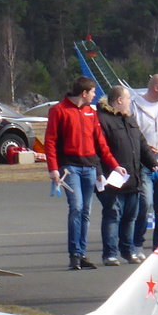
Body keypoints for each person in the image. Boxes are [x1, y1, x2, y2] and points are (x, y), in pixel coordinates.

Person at [44, 76, 119, 271]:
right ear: (84, 93)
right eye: (92, 92)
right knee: (76, 207)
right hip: (70, 167)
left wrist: (114, 165)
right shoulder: (58, 110)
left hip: (90, 167)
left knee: (86, 211)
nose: (95, 96)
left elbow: (100, 143)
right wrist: (53, 168)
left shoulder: (90, 113)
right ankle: (74, 254)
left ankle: (82, 253)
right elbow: (50, 141)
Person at [94, 84, 150, 266]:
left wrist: (152, 162)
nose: (130, 103)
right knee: (113, 214)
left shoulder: (130, 120)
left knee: (130, 216)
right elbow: (99, 150)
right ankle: (110, 254)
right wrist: (101, 174)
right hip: (113, 179)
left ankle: (128, 250)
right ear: (119, 100)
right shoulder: (103, 120)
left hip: (133, 177)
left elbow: (141, 142)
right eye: (128, 99)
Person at [131, 74, 158, 252]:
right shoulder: (134, 105)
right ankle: (137, 242)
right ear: (156, 88)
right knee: (145, 202)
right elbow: (131, 132)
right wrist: (145, 147)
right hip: (144, 163)